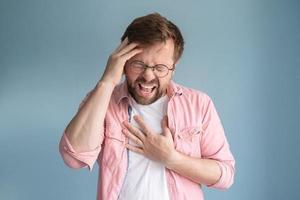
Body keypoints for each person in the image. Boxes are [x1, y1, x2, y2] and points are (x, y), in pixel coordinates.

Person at [59, 12, 235, 200]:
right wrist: (107, 81)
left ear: (174, 67)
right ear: (123, 61)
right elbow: (74, 158)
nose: (148, 76)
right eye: (138, 64)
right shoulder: (102, 101)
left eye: (160, 68)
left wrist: (171, 158)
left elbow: (225, 175)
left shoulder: (199, 104)